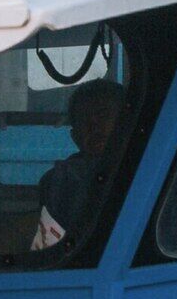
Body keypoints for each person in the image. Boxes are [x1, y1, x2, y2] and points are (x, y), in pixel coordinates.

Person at [31, 80, 130, 252]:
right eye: (83, 118)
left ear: (126, 121)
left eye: (103, 114)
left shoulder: (147, 169)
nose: (93, 125)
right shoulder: (58, 180)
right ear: (74, 136)